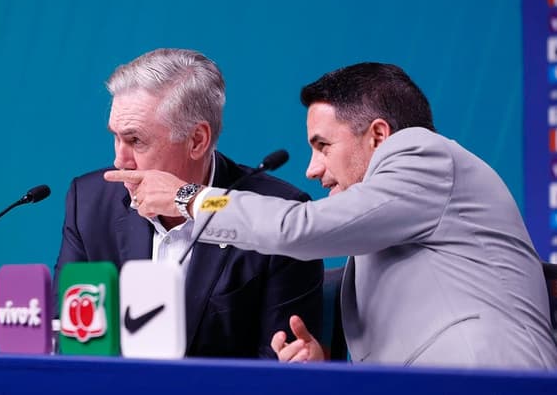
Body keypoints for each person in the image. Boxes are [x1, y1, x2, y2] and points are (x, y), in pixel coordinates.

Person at [108, 62, 557, 369]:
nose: (312, 168)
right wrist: (323, 367)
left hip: (489, 379)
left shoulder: (422, 153)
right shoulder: (381, 232)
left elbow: (300, 228)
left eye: (323, 145)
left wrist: (191, 198)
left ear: (379, 135)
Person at [53, 48, 324, 358]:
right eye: (115, 137)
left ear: (197, 141)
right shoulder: (89, 202)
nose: (119, 159)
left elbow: (276, 363)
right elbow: (68, 338)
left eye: (135, 140)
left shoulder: (279, 215)